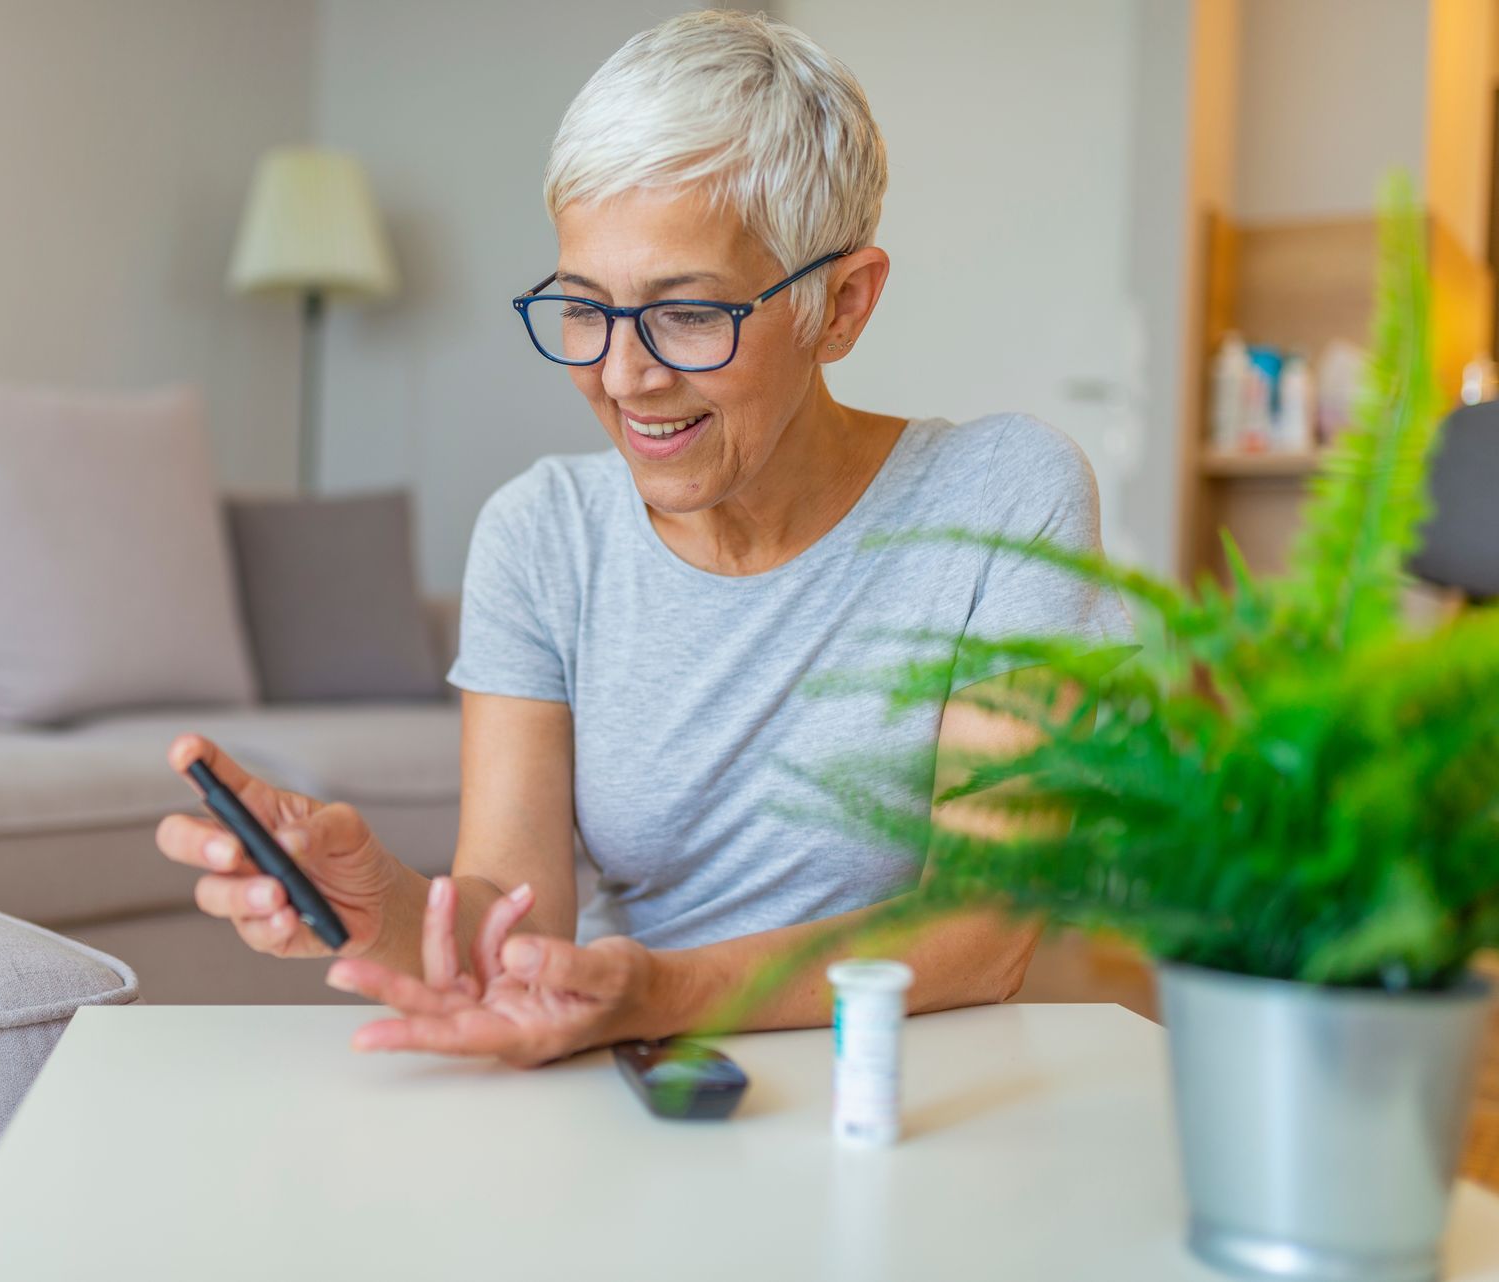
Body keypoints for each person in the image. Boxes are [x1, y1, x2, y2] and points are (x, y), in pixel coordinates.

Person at [154, 9, 1131, 1068]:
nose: (624, 377)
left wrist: (656, 990)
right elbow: (518, 930)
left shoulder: (1002, 498)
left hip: (902, 1086)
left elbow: (982, 932)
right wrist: (379, 902)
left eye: (688, 314)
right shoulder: (543, 532)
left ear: (841, 306)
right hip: (642, 1083)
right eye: (584, 308)